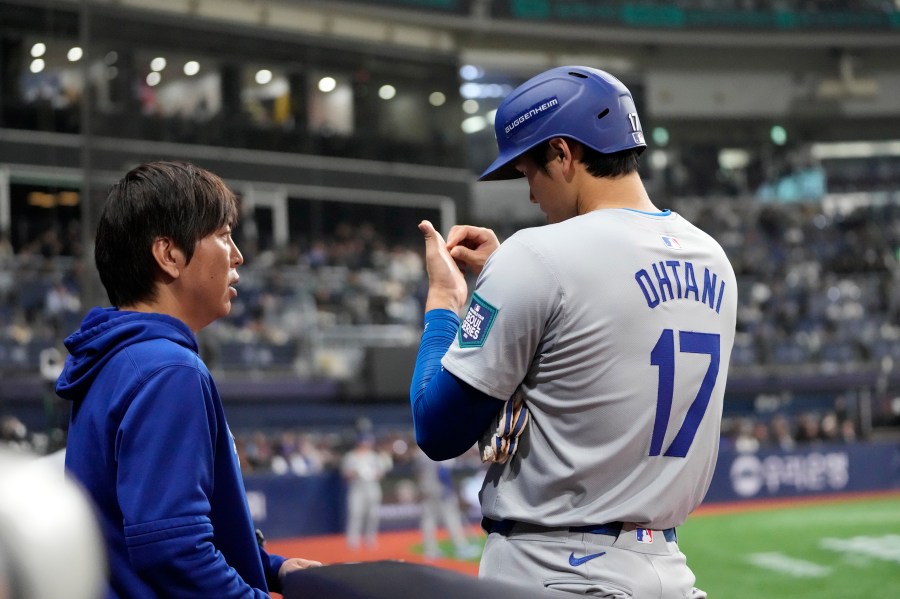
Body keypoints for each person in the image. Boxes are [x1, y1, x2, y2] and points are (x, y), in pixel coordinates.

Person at [410, 66, 737, 598]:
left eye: (528, 171)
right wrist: (512, 280)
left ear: (563, 153)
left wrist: (445, 306)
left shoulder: (537, 255)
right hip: (668, 569)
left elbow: (436, 428)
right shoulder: (713, 256)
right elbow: (601, 324)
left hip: (553, 570)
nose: (531, 194)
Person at [56, 161, 321, 598]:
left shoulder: (118, 360)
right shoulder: (167, 369)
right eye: (222, 235)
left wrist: (269, 568)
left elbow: (136, 532)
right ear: (169, 255)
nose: (237, 254)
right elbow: (174, 553)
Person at [341, 432, 392, 550]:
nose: (366, 444)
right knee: (355, 513)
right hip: (357, 487)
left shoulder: (374, 456)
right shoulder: (351, 456)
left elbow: (381, 474)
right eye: (364, 441)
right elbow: (345, 474)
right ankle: (353, 540)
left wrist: (372, 474)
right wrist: (355, 473)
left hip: (372, 486)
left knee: (373, 515)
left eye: (368, 441)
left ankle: (370, 539)